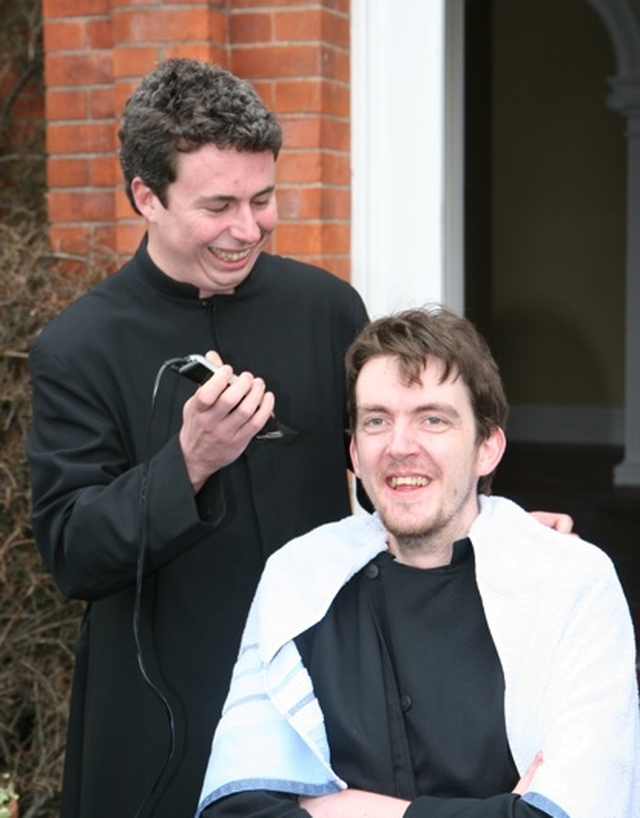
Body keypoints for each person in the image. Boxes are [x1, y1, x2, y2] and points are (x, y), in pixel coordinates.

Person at [28, 61, 571, 818]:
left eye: (263, 198)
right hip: (160, 717)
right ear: (145, 197)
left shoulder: (325, 307)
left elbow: (392, 465)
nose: (247, 228)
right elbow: (72, 552)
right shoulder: (77, 347)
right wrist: (187, 464)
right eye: (218, 204)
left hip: (320, 695)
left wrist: (493, 533)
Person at [197, 306, 640, 818]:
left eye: (433, 419)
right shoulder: (298, 578)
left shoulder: (570, 582)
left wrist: (335, 808)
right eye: (377, 421)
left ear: (487, 449)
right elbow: (236, 809)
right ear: (355, 455)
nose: (400, 447)